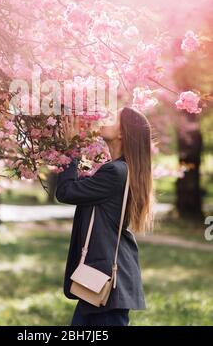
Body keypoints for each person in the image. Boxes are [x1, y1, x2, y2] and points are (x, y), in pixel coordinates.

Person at [56, 106, 154, 326]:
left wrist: (71, 150)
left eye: (112, 119)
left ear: (122, 133)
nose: (103, 120)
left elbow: (66, 191)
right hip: (100, 282)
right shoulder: (119, 169)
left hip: (105, 284)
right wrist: (77, 150)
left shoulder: (116, 172)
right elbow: (81, 187)